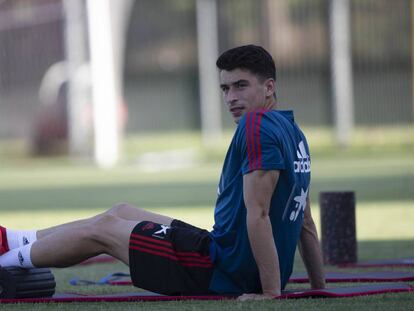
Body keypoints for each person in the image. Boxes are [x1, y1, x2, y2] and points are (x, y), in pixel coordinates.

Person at [0, 45, 325, 300]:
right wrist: (317, 285)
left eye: (241, 86)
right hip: (219, 250)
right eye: (225, 89)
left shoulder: (257, 125)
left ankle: (5, 261)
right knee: (121, 211)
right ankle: (10, 240)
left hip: (220, 271)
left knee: (102, 229)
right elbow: (305, 221)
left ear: (269, 87)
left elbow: (260, 214)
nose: (231, 97)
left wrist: (270, 292)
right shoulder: (293, 131)